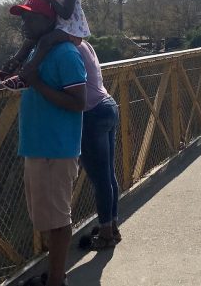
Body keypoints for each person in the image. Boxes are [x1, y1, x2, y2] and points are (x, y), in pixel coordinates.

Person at [10, 0, 87, 286]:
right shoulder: (37, 50)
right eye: (23, 18)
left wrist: (37, 83)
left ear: (48, 19)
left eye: (31, 17)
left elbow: (79, 102)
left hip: (55, 149)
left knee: (57, 219)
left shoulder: (65, 54)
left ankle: (56, 279)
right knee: (46, 217)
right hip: (39, 146)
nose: (25, 23)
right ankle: (53, 275)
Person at [75, 41, 121, 250]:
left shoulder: (67, 47)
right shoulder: (84, 43)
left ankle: (106, 235)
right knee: (108, 174)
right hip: (107, 104)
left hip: (91, 112)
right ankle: (112, 226)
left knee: (100, 178)